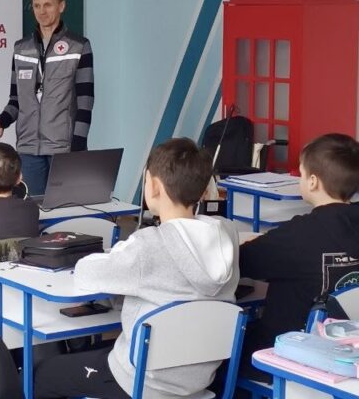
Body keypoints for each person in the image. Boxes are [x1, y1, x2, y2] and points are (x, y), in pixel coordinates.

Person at [33, 138, 239, 399]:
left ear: (152, 185)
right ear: (202, 189)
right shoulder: (227, 234)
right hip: (197, 383)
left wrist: (119, 251)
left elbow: (86, 274)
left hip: (139, 383)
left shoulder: (147, 245)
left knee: (46, 373)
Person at [238, 133, 359, 381]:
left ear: (313, 181)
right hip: (348, 350)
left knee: (229, 347)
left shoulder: (300, 234)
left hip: (295, 352)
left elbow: (243, 262)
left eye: (301, 174)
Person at [0, 0, 94, 196]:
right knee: (32, 210)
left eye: (48, 5)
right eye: (37, 6)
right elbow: (16, 100)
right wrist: (1, 122)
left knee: (65, 211)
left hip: (63, 148)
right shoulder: (21, 48)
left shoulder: (79, 46)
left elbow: (86, 100)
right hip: (28, 148)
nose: (42, 11)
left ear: (61, 6)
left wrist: (78, 146)